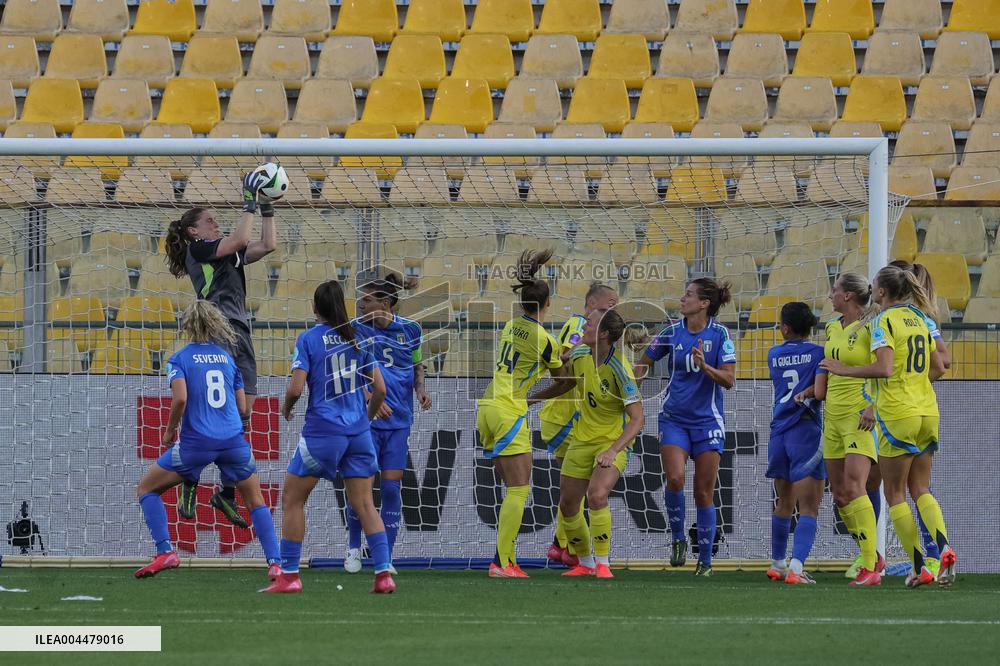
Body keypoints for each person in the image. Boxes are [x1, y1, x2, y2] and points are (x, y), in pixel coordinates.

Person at [821, 265, 957, 588]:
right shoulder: (921, 318)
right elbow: (940, 365)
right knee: (920, 489)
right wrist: (914, 386)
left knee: (895, 495)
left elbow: (883, 369)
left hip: (898, 414)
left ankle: (919, 565)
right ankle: (945, 547)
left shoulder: (883, 321)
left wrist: (843, 369)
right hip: (927, 410)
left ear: (880, 292)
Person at [263, 280, 396, 594]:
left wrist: (286, 407)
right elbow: (381, 390)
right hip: (359, 435)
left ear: (314, 308)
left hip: (323, 432)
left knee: (293, 501)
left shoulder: (309, 339)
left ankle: (290, 576)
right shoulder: (360, 339)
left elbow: (296, 388)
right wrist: (365, 419)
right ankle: (383, 573)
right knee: (365, 504)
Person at [134, 301, 280, 582]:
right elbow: (243, 409)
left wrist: (168, 431)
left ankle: (166, 551)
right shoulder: (227, 359)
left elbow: (180, 399)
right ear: (216, 325)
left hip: (197, 443)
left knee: (146, 488)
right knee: (255, 500)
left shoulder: (179, 359)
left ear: (187, 326)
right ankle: (275, 562)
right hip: (232, 440)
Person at [164, 170, 278, 527]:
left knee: (244, 412)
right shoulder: (200, 251)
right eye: (210, 221)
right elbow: (238, 238)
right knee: (209, 413)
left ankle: (225, 493)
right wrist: (249, 200)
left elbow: (266, 245)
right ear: (193, 232)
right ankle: (190, 480)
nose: (216, 224)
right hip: (216, 329)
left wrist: (268, 207)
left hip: (240, 331)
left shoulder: (226, 256)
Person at [477, 249, 573, 578]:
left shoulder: (510, 326)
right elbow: (565, 382)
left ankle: (507, 559)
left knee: (511, 489)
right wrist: (535, 399)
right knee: (519, 489)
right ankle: (502, 563)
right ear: (548, 304)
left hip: (488, 406)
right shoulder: (545, 339)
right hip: (509, 409)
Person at [634, 278, 736, 577]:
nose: (682, 298)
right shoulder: (671, 332)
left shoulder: (720, 335)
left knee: (703, 493)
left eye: (688, 295)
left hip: (707, 422)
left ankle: (705, 560)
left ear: (704, 304)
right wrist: (632, 384)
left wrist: (706, 368)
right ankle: (677, 538)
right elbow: (645, 361)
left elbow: (729, 380)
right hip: (674, 418)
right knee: (675, 479)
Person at [343, 272, 431, 573]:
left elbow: (418, 364)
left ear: (385, 302)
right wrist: (370, 397)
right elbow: (349, 370)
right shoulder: (354, 329)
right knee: (361, 489)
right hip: (365, 421)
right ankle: (353, 549)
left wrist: (420, 389)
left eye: (366, 300)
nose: (360, 305)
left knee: (392, 490)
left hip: (398, 422)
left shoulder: (412, 330)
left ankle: (385, 556)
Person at [551, 308, 644, 579]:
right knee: (568, 505)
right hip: (581, 439)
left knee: (597, 495)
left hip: (610, 442)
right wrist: (534, 398)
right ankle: (585, 562)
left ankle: (603, 563)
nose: (583, 327)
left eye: (589, 324)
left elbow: (638, 419)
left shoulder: (620, 368)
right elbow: (565, 383)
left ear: (603, 333)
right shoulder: (581, 355)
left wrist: (613, 450)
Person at [539, 282, 619, 567]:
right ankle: (563, 545)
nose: (615, 307)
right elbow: (566, 357)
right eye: (611, 302)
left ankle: (564, 545)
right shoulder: (580, 324)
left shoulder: (595, 328)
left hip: (567, 416)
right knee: (576, 486)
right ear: (593, 303)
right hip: (566, 418)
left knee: (574, 488)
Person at [814, 272, 885, 586]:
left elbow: (885, 371)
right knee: (841, 496)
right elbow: (827, 366)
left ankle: (870, 565)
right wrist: (815, 391)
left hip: (860, 415)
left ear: (848, 297)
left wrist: (873, 407)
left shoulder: (873, 327)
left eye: (835, 290)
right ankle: (870, 553)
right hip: (833, 417)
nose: (830, 294)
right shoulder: (831, 328)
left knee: (857, 487)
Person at [764, 302, 826, 585]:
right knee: (809, 507)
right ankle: (797, 568)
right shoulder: (819, 354)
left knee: (784, 501)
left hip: (779, 432)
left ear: (785, 328)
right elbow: (822, 390)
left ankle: (778, 563)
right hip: (805, 430)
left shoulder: (773, 354)